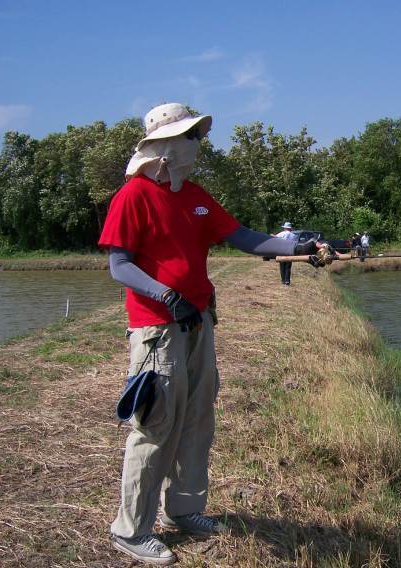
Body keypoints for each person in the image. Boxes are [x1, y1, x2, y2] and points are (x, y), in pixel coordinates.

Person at [98, 103, 323, 565]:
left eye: (198, 135)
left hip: (199, 322)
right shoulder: (134, 196)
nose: (198, 144)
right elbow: (119, 266)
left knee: (198, 418)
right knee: (156, 424)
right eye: (191, 136)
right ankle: (131, 529)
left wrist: (298, 248)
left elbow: (244, 237)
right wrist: (167, 297)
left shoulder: (196, 196)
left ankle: (183, 509)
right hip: (158, 330)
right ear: (165, 144)